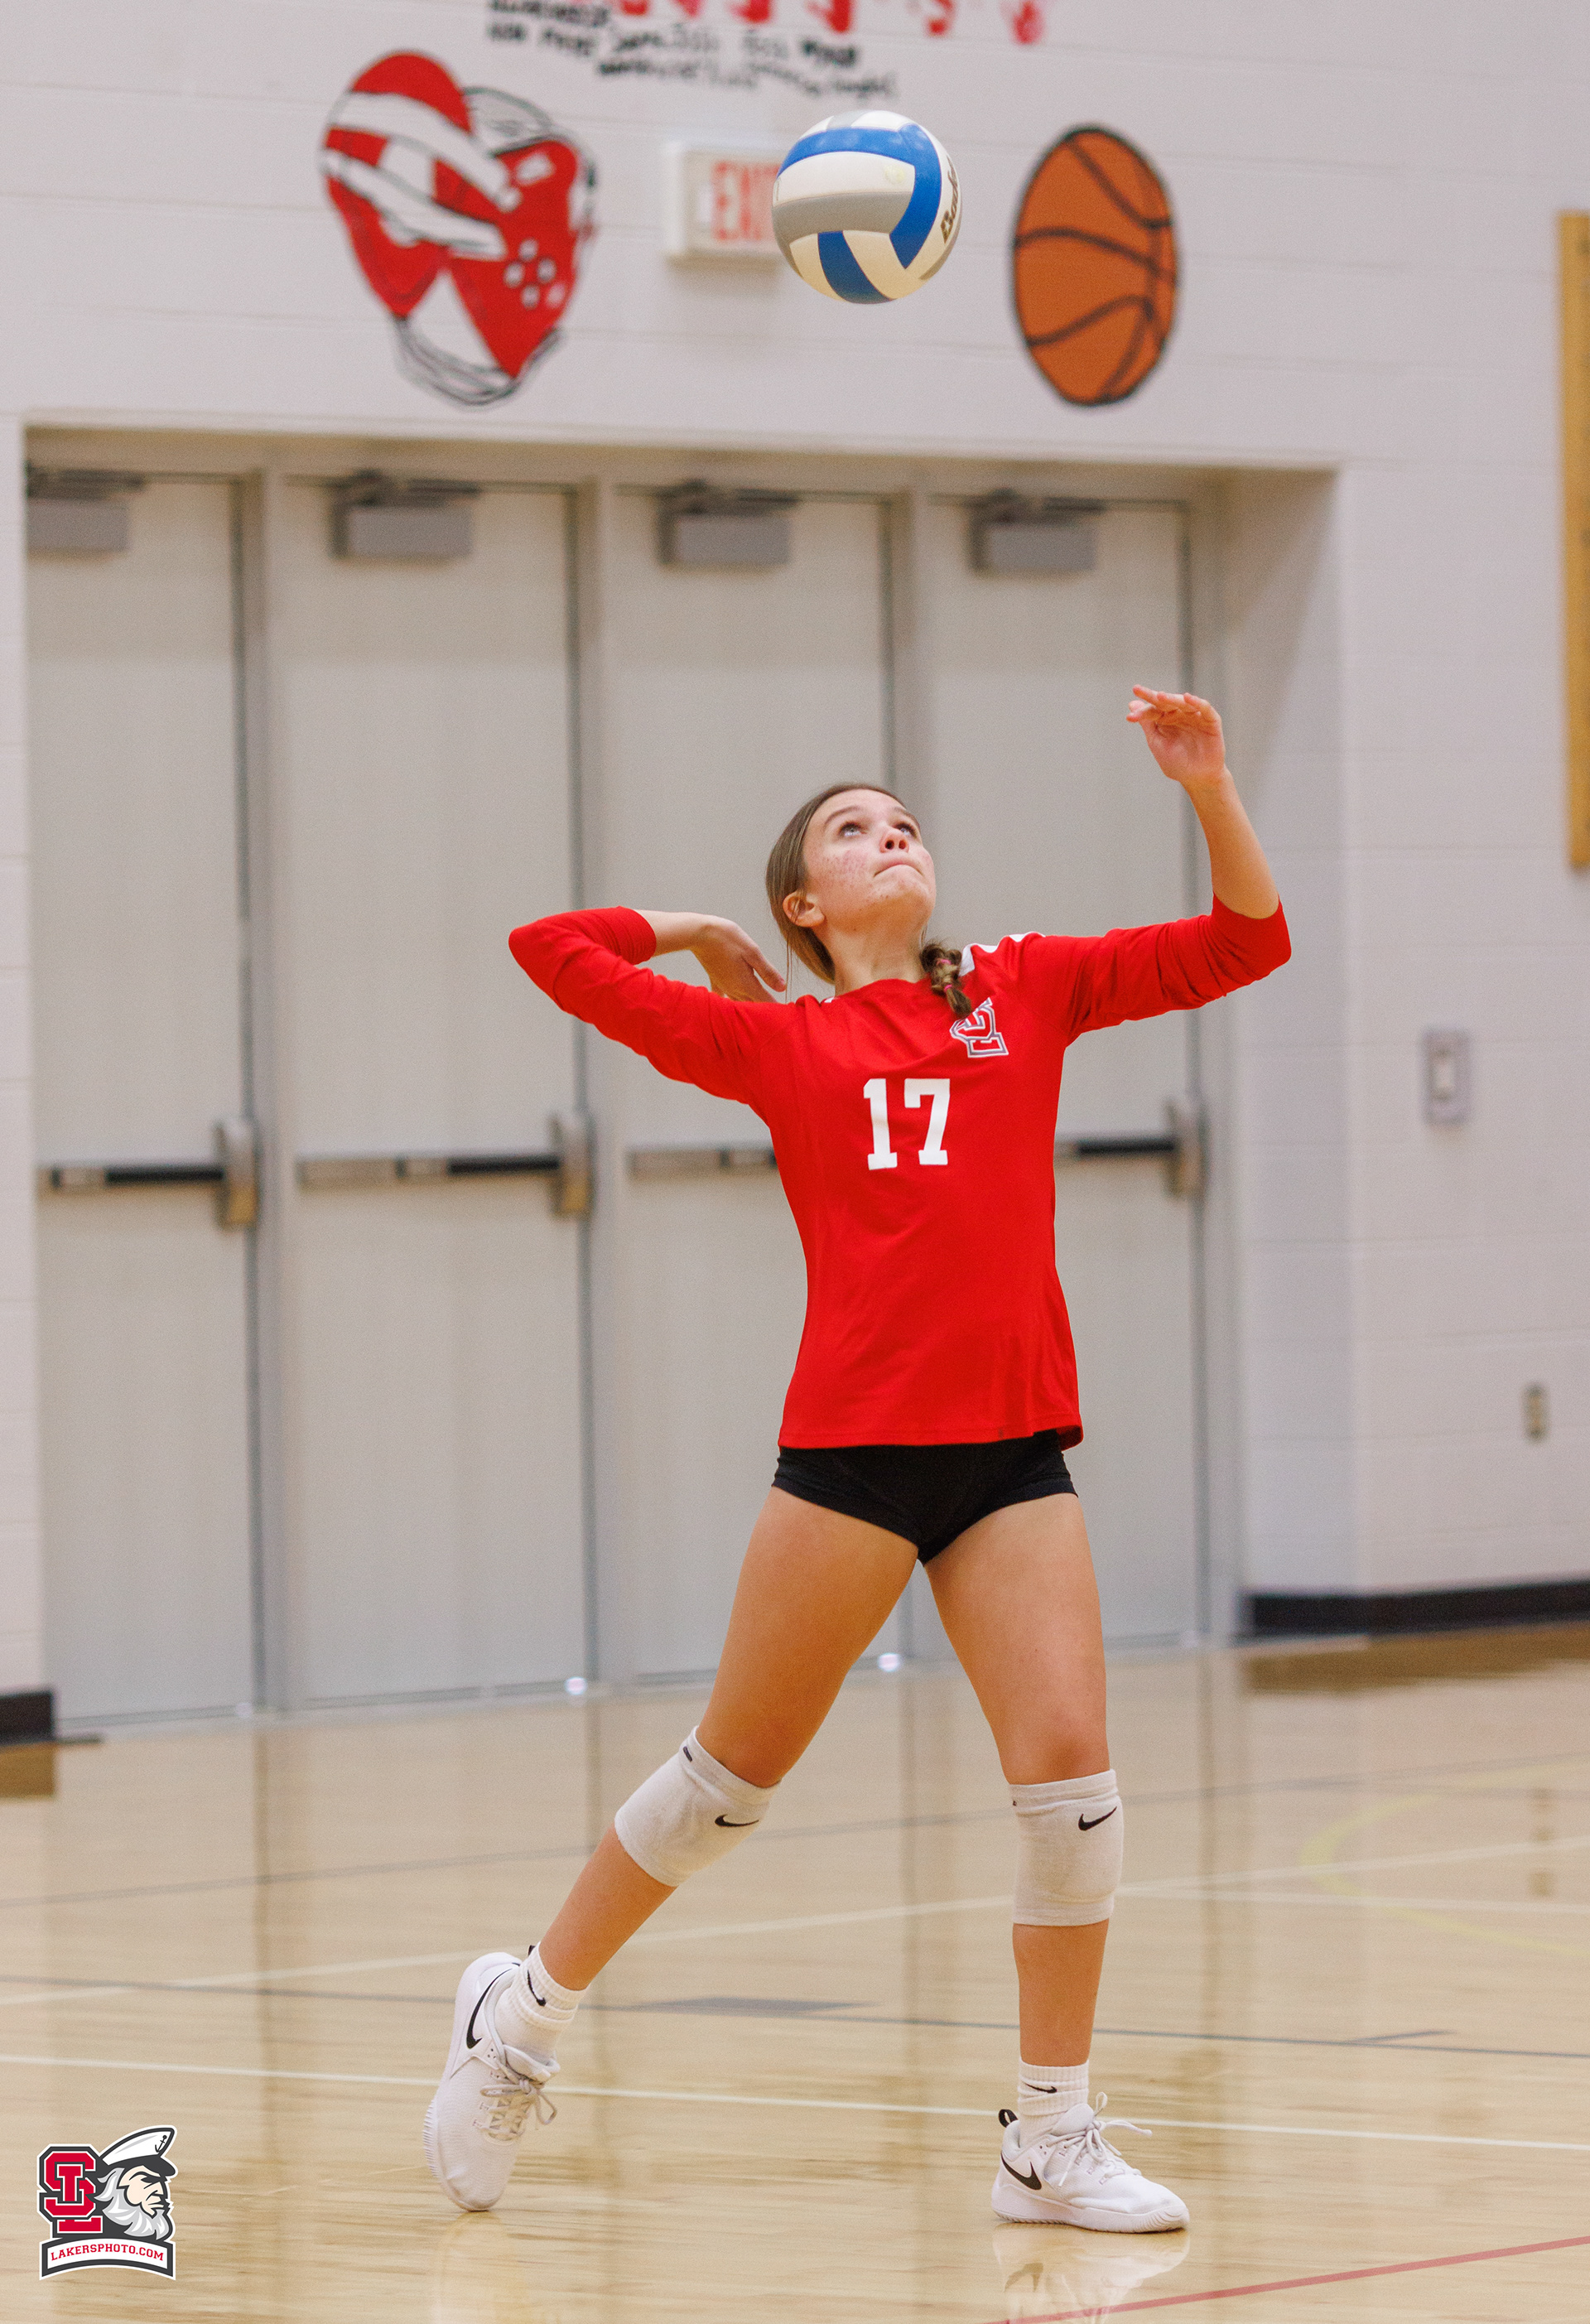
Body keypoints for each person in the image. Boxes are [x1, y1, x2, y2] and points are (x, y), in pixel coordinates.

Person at [424, 688, 1289, 2230]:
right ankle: (519, 2016)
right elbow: (549, 948)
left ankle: (1049, 2137)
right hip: (854, 1454)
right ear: (804, 905)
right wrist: (698, 928)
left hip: (1010, 1452)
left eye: (904, 820)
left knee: (1075, 1796)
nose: (892, 834)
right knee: (723, 1792)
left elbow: (1245, 942)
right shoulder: (775, 1040)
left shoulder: (1022, 987)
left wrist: (1211, 786)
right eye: (850, 828)